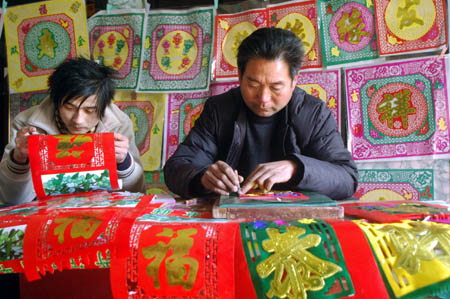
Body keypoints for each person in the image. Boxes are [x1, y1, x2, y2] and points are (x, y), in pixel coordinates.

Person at [164, 27, 358, 200]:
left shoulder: (313, 113)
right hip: (233, 220)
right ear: (240, 76)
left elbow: (346, 178)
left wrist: (296, 168)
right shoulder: (219, 109)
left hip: (299, 222)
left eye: (276, 87)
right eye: (253, 85)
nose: (263, 98)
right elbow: (177, 168)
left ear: (294, 80)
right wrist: (203, 178)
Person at [0, 57, 146, 205]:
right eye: (69, 108)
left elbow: (136, 196)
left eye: (90, 110)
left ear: (104, 105)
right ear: (55, 101)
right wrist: (18, 159)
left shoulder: (119, 124)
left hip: (102, 212)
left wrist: (124, 163)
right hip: (45, 213)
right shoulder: (27, 124)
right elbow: (12, 199)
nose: (78, 120)